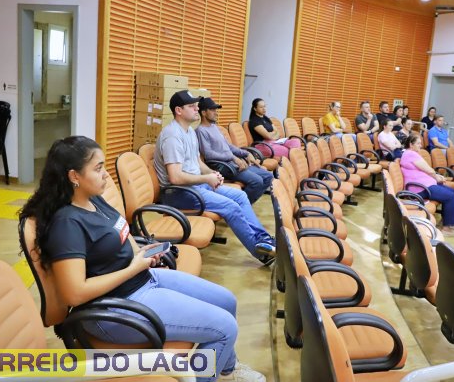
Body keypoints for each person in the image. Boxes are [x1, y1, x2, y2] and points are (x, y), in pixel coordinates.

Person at [18, 136, 266, 382]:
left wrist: (142, 252)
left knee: (227, 301)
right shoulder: (67, 224)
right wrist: (133, 268)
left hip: (141, 278)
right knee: (225, 328)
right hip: (116, 307)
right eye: (98, 168)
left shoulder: (94, 199)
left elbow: (123, 232)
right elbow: (74, 293)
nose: (105, 175)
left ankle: (226, 368)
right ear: (74, 176)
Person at [155, 90, 276, 263]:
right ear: (178, 110)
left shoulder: (189, 132)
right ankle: (261, 251)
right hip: (178, 193)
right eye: (192, 106)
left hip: (194, 187)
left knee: (241, 196)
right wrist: (206, 179)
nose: (197, 109)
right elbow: (175, 177)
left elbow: (197, 162)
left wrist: (210, 173)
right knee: (231, 207)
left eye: (196, 106)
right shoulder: (172, 136)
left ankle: (264, 239)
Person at [196, 97, 273, 204]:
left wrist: (246, 154)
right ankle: (240, 206)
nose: (216, 113)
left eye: (216, 110)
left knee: (268, 176)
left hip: (232, 163)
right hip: (223, 166)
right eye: (212, 110)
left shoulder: (214, 127)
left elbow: (229, 146)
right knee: (257, 181)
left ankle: (242, 205)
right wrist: (233, 158)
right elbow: (209, 154)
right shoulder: (201, 131)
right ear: (204, 113)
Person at [400, 134, 454, 237]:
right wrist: (436, 176)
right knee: (449, 196)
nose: (420, 146)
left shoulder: (409, 153)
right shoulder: (411, 154)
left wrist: (436, 176)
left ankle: (447, 222)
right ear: (411, 144)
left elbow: (425, 170)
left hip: (423, 185)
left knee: (452, 191)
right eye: (418, 143)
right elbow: (428, 169)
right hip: (420, 189)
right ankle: (446, 229)